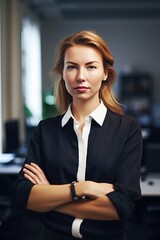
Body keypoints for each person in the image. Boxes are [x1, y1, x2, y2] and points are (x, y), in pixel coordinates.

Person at [14, 30, 143, 240]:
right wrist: (82, 188)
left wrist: (50, 195)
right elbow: (25, 197)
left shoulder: (128, 129)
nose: (80, 77)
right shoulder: (45, 130)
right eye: (72, 67)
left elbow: (121, 207)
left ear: (105, 74)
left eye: (91, 67)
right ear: (62, 73)